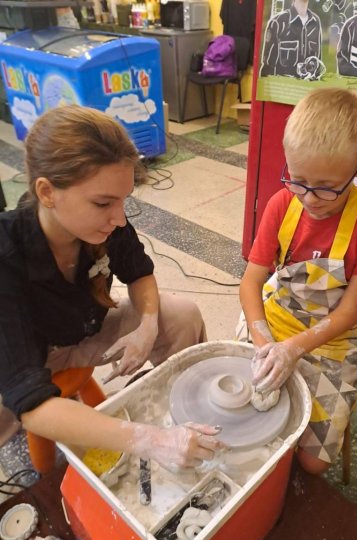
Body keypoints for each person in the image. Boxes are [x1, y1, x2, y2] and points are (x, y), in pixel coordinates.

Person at [0, 105, 223, 471]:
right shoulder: (7, 250)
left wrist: (147, 327)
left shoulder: (108, 224)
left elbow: (139, 273)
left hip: (86, 330)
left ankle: (180, 413)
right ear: (47, 192)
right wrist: (146, 440)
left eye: (124, 201)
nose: (119, 218)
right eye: (103, 203)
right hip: (31, 356)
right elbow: (31, 401)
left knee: (181, 315)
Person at [239, 88, 357, 474]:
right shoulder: (282, 204)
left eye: (326, 187)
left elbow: (348, 313)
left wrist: (293, 350)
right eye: (298, 180)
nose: (309, 198)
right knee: (243, 418)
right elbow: (250, 285)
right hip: (275, 323)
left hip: (334, 338)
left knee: (310, 464)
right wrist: (265, 345)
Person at [259, 0, 323, 79]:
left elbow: (317, 64)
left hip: (308, 88)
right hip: (284, 88)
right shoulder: (278, 22)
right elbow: (268, 67)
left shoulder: (316, 23)